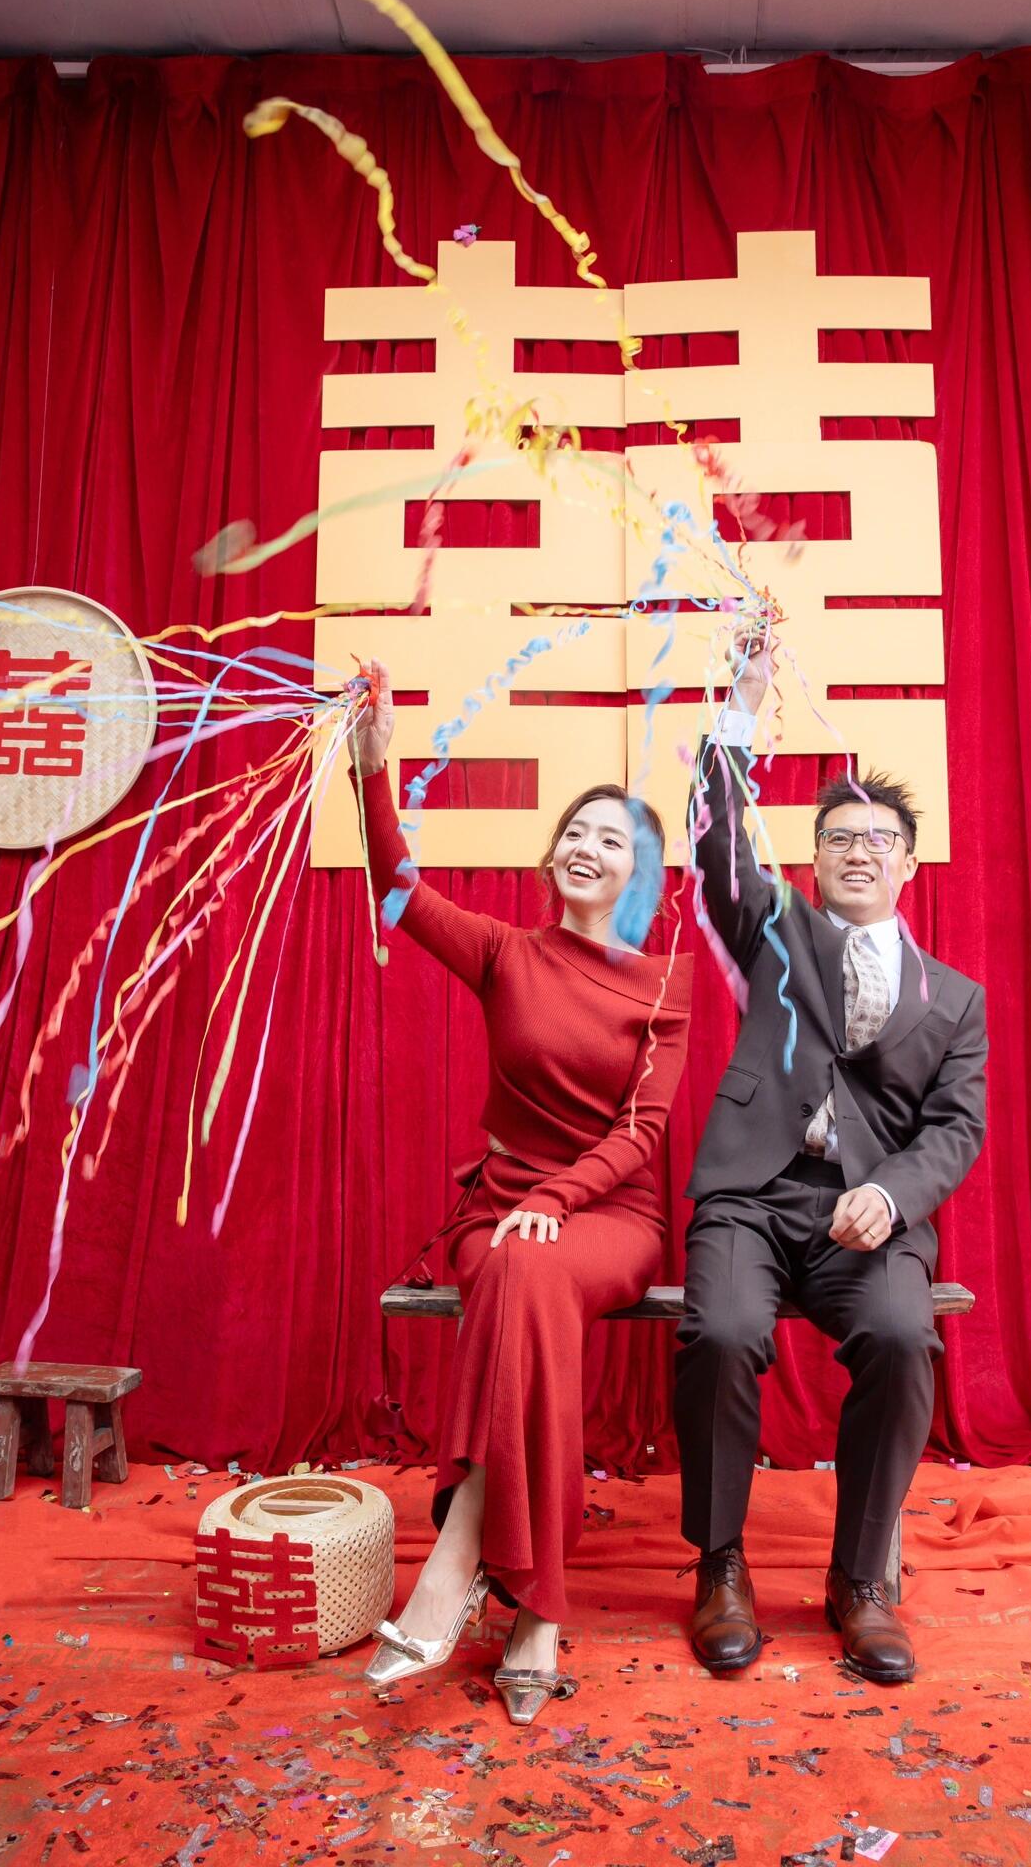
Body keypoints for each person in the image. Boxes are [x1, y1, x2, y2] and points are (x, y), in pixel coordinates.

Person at [351, 660, 692, 1724]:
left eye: (611, 840)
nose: (585, 846)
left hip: (611, 1216)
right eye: (574, 832)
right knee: (513, 1265)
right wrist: (372, 765)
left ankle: (457, 1554)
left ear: (639, 872)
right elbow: (395, 885)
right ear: (552, 856)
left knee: (529, 1263)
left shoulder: (664, 986)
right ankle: (537, 1610)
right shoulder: (505, 952)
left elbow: (642, 1132)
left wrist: (559, 1199)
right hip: (497, 1209)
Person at [675, 627, 987, 1684]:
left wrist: (892, 1197)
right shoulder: (777, 931)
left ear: (908, 862)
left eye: (878, 839)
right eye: (838, 837)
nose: (859, 851)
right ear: (812, 862)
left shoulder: (956, 1000)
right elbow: (719, 843)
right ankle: (720, 1565)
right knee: (719, 1331)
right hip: (750, 1199)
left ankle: (859, 1580)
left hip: (869, 1218)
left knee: (902, 1338)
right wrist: (742, 700)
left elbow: (955, 1127)